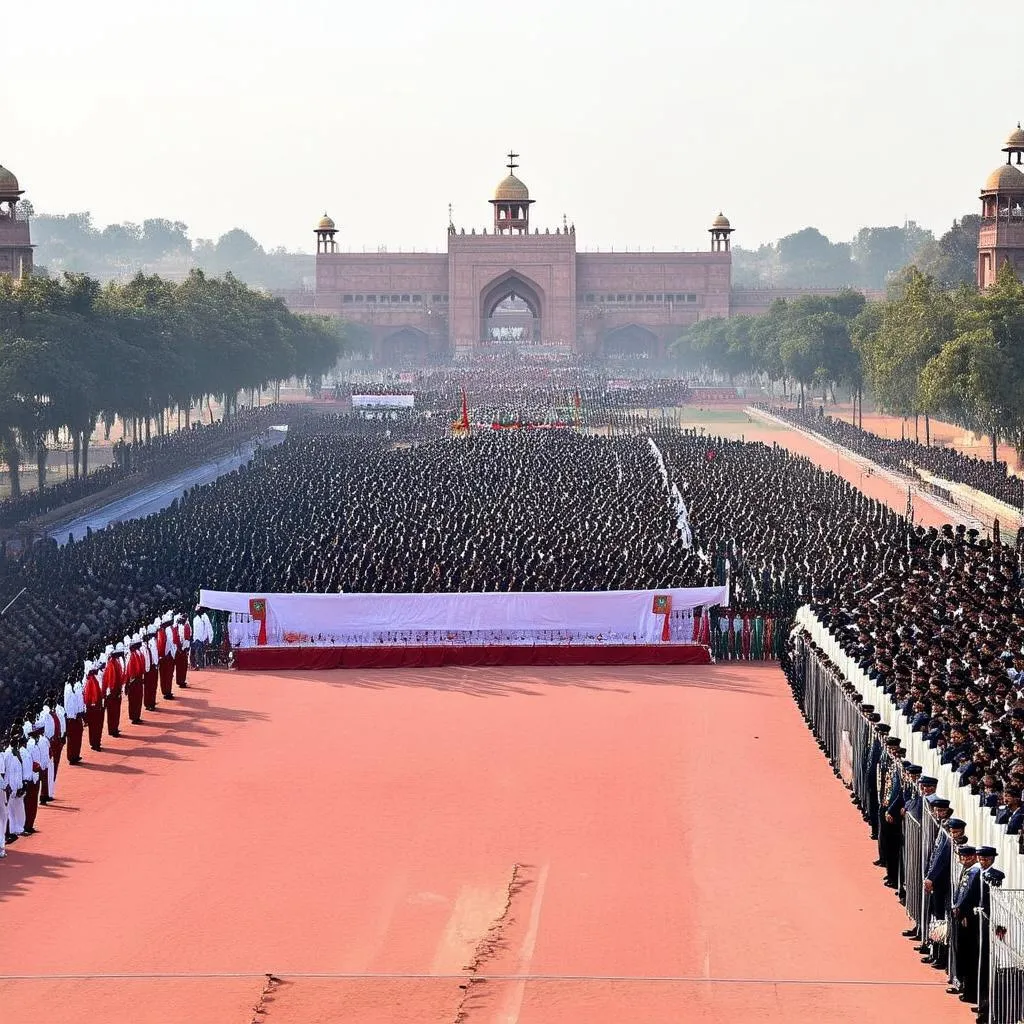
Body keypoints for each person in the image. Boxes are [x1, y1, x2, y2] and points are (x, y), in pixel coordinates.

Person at [83, 660, 105, 753]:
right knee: (94, 726)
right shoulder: (90, 680)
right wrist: (94, 705)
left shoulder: (94, 678)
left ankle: (96, 742)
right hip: (94, 707)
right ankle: (95, 743)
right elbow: (89, 696)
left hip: (97, 706)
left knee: (97, 726)